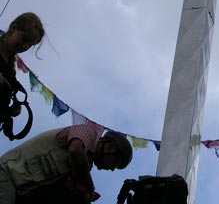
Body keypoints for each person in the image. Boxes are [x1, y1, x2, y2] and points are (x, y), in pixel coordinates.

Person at [0, 124, 133, 203]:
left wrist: (84, 194)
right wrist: (89, 186)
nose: (111, 168)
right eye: (115, 162)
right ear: (109, 147)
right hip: (6, 173)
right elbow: (75, 150)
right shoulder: (87, 132)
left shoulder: (84, 166)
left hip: (19, 191)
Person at [0, 13, 44, 123]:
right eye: (24, 38)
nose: (25, 46)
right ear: (13, 28)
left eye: (30, 45)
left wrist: (10, 110)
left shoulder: (10, 71)